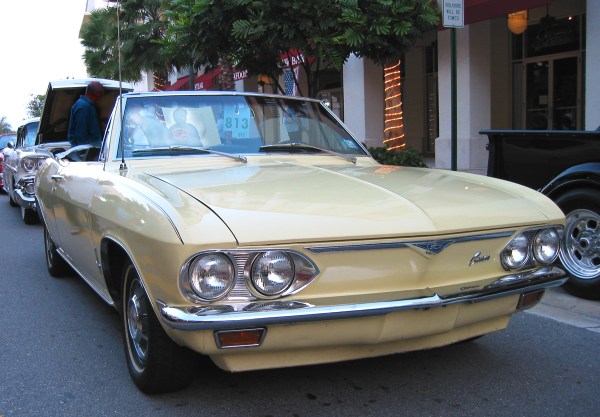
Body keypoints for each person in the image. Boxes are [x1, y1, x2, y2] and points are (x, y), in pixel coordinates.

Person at [67, 81, 104, 147]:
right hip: (85, 151)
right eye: (101, 94)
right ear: (98, 94)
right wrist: (85, 152)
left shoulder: (86, 105)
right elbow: (81, 134)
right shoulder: (84, 107)